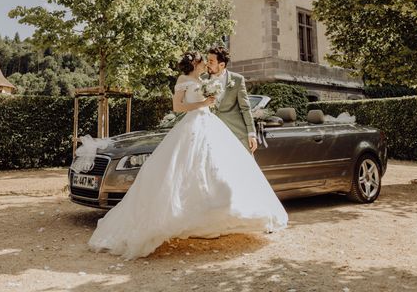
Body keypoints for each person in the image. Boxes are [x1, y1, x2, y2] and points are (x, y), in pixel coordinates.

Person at [87, 51, 288, 259]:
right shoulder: (183, 80)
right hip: (192, 124)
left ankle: (210, 221)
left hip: (210, 124)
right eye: (204, 61)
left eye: (210, 62)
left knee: (214, 170)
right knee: (185, 169)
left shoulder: (205, 80)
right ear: (195, 64)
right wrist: (204, 103)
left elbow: (234, 105)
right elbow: (177, 106)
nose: (206, 64)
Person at [206, 46, 257, 153]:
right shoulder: (203, 80)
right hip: (211, 133)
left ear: (222, 65)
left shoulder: (237, 80)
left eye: (211, 61)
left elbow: (245, 108)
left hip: (236, 132)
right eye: (207, 60)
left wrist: (251, 134)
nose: (207, 64)